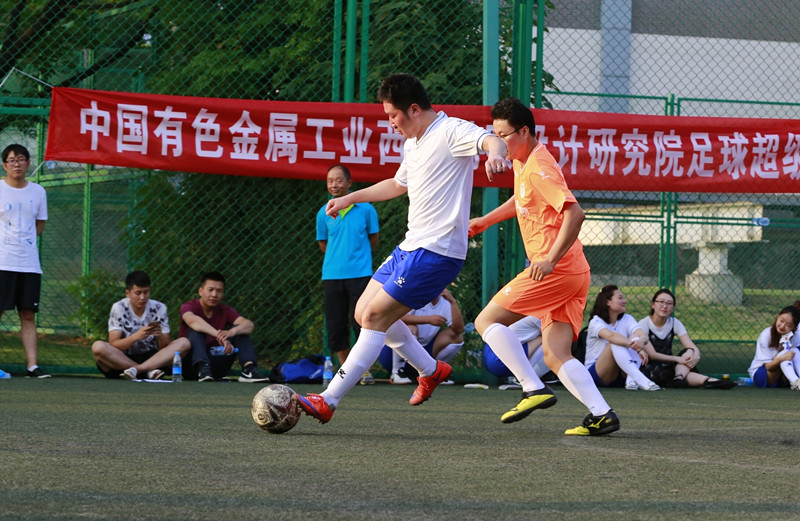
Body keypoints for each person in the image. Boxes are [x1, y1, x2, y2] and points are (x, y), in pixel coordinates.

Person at [295, 73, 508, 423]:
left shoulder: (450, 130)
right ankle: (430, 370)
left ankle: (328, 400)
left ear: (413, 109)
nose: (390, 123)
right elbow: (397, 184)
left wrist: (495, 155)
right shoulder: (412, 144)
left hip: (437, 252)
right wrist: (349, 197)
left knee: (374, 318)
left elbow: (490, 141)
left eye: (393, 115)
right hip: (409, 247)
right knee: (362, 313)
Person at [470, 97, 619, 436]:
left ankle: (532, 388)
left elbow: (575, 213)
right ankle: (602, 414)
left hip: (556, 270)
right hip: (574, 271)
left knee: (486, 320)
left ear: (524, 132)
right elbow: (522, 199)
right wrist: (485, 221)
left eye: (503, 135)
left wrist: (550, 259)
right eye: (495, 134)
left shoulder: (538, 167)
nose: (498, 141)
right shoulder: (524, 160)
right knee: (555, 353)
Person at [317, 164, 379, 385]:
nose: (334, 184)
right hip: (332, 276)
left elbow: (373, 239)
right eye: (330, 181)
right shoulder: (323, 212)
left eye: (339, 180)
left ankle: (363, 369)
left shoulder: (366, 209)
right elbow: (323, 243)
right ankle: (346, 371)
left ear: (349, 183)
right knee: (336, 325)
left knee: (362, 322)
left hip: (361, 274)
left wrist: (357, 257)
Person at [0, 144, 50, 378]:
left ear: (28, 163)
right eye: (11, 160)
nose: (16, 164)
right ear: (4, 165)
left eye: (21, 159)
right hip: (3, 262)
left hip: (29, 264)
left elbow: (39, 225)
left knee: (28, 315)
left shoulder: (38, 191)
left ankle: (32, 366)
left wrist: (24, 242)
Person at [91, 270, 191, 380]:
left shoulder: (159, 307)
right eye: (138, 293)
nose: (142, 297)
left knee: (184, 342)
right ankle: (147, 371)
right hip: (123, 359)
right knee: (98, 346)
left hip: (153, 359)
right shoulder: (119, 307)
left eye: (146, 292)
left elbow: (165, 347)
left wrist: (160, 336)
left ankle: (137, 370)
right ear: (128, 293)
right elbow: (114, 344)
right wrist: (136, 337)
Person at [637, 288, 736, 389]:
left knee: (689, 351)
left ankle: (680, 379)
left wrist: (695, 356)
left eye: (669, 303)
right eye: (661, 302)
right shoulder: (643, 324)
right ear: (653, 304)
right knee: (674, 372)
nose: (665, 306)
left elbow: (692, 347)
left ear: (673, 307)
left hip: (670, 365)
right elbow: (652, 355)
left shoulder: (675, 323)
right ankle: (709, 381)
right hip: (650, 368)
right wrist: (678, 359)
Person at [179, 271, 268, 382]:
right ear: (200, 291)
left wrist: (231, 332)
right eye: (210, 290)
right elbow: (192, 321)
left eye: (219, 291)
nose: (214, 295)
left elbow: (249, 325)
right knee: (196, 330)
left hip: (216, 365)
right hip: (191, 366)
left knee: (241, 330)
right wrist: (219, 335)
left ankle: (249, 369)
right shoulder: (188, 306)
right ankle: (203, 368)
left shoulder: (225, 310)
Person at [584, 285, 660, 392]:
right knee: (614, 343)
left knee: (636, 337)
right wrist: (638, 349)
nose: (624, 301)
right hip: (598, 374)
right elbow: (611, 336)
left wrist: (642, 341)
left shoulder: (627, 318)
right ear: (607, 302)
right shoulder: (595, 321)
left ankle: (631, 380)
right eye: (620, 298)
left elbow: (642, 334)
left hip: (621, 375)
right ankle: (641, 379)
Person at [382, 288, 465, 385]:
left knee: (456, 336)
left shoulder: (445, 302)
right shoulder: (415, 296)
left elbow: (459, 330)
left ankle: (435, 372)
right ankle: (397, 373)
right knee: (411, 328)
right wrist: (428, 319)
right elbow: (398, 317)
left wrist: (452, 302)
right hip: (393, 355)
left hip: (424, 353)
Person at [483, 316, 552, 388]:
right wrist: (540, 339)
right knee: (555, 341)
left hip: (491, 356)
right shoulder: (541, 316)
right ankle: (527, 379)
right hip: (500, 361)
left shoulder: (521, 313)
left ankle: (516, 377)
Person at [747, 305, 800, 389]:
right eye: (781, 321)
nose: (782, 326)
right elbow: (768, 367)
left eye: (788, 325)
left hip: (782, 375)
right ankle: (795, 382)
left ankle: (797, 381)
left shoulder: (796, 336)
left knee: (795, 351)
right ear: (778, 317)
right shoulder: (766, 335)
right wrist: (781, 358)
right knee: (785, 353)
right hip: (762, 374)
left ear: (794, 328)